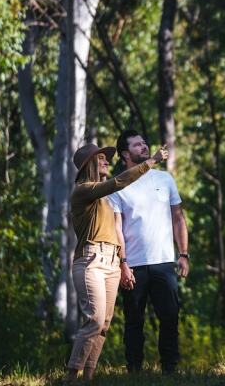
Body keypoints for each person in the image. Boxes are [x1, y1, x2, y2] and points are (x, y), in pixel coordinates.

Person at [66, 142, 168, 381]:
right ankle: (71, 377)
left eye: (106, 159)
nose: (106, 162)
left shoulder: (108, 198)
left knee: (105, 325)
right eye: (101, 158)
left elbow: (117, 228)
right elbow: (118, 182)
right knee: (94, 318)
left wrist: (123, 263)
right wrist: (151, 161)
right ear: (89, 164)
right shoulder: (83, 190)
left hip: (112, 262)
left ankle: (88, 378)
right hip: (90, 260)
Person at [108, 129, 190, 375]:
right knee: (134, 322)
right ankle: (134, 370)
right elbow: (116, 228)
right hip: (133, 264)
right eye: (137, 145)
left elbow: (178, 218)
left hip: (164, 262)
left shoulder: (165, 180)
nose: (144, 147)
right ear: (125, 154)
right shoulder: (118, 185)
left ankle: (170, 370)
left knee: (170, 317)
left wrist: (183, 253)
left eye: (144, 143)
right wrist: (122, 264)